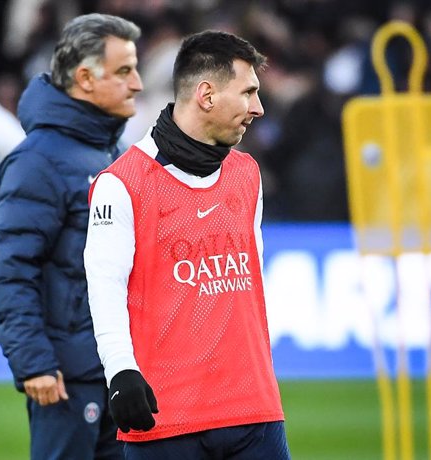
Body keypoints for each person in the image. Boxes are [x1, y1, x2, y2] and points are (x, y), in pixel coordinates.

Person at [84, 30, 291, 459]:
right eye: (248, 92)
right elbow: (105, 287)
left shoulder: (247, 174)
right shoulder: (121, 184)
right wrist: (121, 371)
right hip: (165, 416)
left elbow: (250, 285)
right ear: (207, 95)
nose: (259, 107)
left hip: (253, 410)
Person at [0, 13, 143, 460]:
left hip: (119, 368)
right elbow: (9, 271)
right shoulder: (37, 161)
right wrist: (34, 361)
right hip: (67, 378)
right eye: (124, 71)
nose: (138, 84)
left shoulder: (116, 153)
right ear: (85, 78)